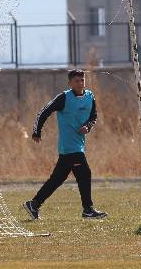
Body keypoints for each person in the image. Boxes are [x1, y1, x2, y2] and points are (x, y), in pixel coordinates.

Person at [24, 69, 107, 220]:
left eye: (82, 80)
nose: (80, 83)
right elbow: (44, 111)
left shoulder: (90, 96)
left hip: (78, 144)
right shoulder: (63, 97)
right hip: (69, 146)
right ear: (70, 83)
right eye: (76, 81)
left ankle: (34, 204)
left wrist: (87, 127)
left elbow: (93, 116)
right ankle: (88, 209)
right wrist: (37, 132)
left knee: (57, 179)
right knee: (85, 173)